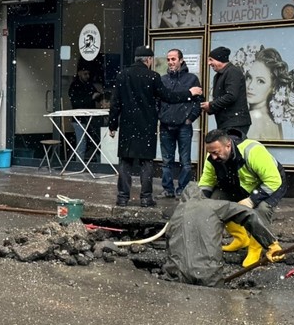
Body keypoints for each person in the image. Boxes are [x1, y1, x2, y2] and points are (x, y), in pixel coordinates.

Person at [108, 45, 202, 207]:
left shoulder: (123, 75)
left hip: (127, 125)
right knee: (146, 162)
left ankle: (122, 197)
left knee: (125, 161)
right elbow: (168, 96)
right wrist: (189, 94)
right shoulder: (153, 77)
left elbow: (115, 102)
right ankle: (146, 198)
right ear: (149, 60)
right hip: (146, 125)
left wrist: (112, 124)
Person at [198, 129, 286, 267]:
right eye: (210, 153)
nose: (213, 157)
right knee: (215, 203)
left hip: (271, 183)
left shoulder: (252, 151)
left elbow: (273, 181)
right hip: (240, 184)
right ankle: (241, 239)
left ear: (228, 145)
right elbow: (207, 182)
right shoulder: (213, 157)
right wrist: (197, 200)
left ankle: (255, 249)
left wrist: (251, 200)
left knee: (262, 209)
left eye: (216, 152)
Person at [158, 48, 201, 197]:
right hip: (166, 124)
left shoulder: (191, 79)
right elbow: (157, 100)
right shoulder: (163, 79)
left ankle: (182, 190)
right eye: (168, 59)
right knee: (166, 160)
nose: (170, 62)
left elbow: (198, 102)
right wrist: (161, 115)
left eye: (173, 59)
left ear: (181, 60)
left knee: (185, 161)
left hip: (184, 125)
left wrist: (190, 118)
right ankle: (168, 189)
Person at [200, 46, 250, 140]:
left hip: (235, 123)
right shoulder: (220, 75)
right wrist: (210, 107)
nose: (209, 63)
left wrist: (211, 105)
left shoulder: (232, 72)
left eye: (211, 60)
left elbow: (231, 96)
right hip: (227, 122)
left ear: (220, 59)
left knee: (231, 147)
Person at [245, 47, 288, 140]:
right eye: (249, 77)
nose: (250, 86)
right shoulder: (275, 121)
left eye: (260, 81)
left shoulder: (253, 118)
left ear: (273, 87)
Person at [67, 62, 105, 167]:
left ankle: (92, 164)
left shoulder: (88, 85)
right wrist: (91, 97)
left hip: (89, 118)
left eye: (88, 74)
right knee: (82, 143)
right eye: (85, 74)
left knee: (93, 142)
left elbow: (95, 96)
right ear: (79, 73)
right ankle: (79, 165)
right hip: (79, 118)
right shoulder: (74, 86)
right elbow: (76, 103)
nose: (87, 76)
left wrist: (100, 97)